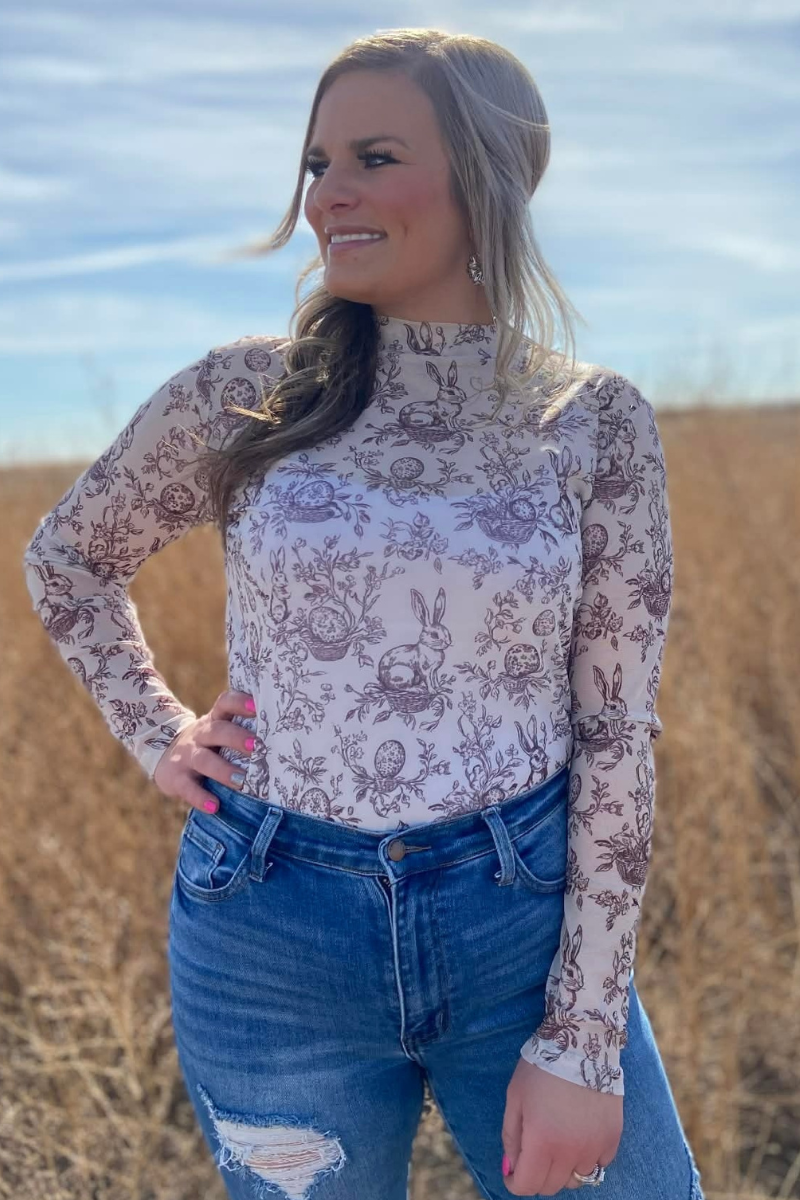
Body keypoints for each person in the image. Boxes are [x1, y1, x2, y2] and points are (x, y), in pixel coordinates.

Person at [21, 26, 704, 1200]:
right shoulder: (243, 392)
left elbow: (614, 733)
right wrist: (156, 731)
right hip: (267, 932)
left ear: (487, 177)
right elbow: (68, 560)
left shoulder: (594, 423)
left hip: (517, 921)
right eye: (315, 163)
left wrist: (584, 1038)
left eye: (373, 157)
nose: (325, 194)